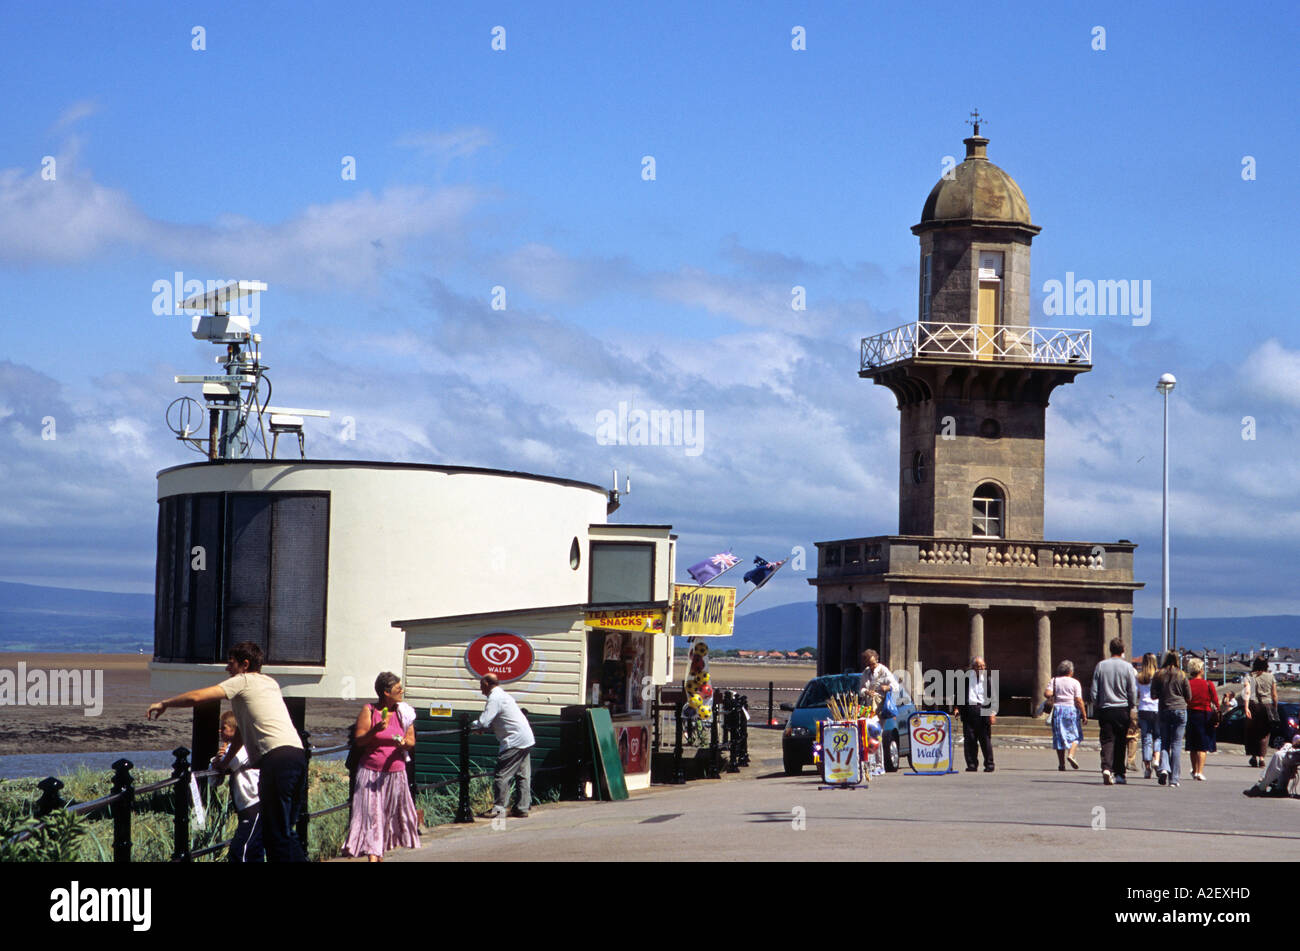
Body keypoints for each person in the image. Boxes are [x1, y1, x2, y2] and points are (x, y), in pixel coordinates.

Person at [148, 641, 307, 861]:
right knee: (285, 830)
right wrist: (225, 762)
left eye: (230, 663)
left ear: (245, 664)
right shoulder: (269, 683)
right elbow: (242, 732)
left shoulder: (243, 681)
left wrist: (165, 703)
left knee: (275, 834)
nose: (227, 669)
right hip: (297, 756)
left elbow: (198, 697)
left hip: (276, 760)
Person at [342, 673, 420, 861]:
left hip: (395, 775)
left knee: (386, 817)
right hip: (370, 774)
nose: (402, 691)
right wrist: (376, 730)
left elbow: (411, 741)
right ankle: (373, 857)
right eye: (398, 689)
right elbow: (360, 741)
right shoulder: (369, 711)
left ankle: (378, 854)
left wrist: (403, 744)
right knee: (371, 816)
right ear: (386, 692)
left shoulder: (405, 712)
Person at [472, 673, 535, 818]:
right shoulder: (504, 696)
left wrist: (472, 726)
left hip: (514, 741)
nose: (481, 689)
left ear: (487, 684)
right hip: (526, 738)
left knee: (502, 775)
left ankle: (499, 809)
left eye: (481, 685)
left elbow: (484, 721)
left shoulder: (495, 698)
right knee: (523, 775)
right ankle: (522, 807)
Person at [210, 711, 263, 862]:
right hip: (244, 807)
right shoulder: (228, 751)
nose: (220, 731)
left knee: (240, 851)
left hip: (255, 804)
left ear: (235, 730)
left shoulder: (246, 747)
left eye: (224, 727)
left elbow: (232, 763)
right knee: (254, 851)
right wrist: (217, 761)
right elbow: (214, 781)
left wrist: (221, 760)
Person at [1091, 637, 1139, 785]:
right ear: (1123, 650)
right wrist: (1132, 705)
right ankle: (1119, 773)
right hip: (1122, 708)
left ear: (1110, 650)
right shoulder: (1128, 667)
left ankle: (1106, 767)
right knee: (1120, 741)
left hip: (1106, 708)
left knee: (1106, 740)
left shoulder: (1100, 666)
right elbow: (1132, 689)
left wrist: (1097, 705)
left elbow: (1094, 690)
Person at [1150, 651, 1191, 788]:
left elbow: (1153, 695)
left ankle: (1163, 768)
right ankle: (1174, 779)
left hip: (1164, 710)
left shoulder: (1158, 674)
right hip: (1180, 710)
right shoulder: (1182, 675)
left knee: (1164, 743)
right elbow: (1189, 696)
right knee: (1177, 744)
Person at [950, 656, 995, 773]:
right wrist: (956, 708)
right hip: (969, 709)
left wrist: (992, 713)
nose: (982, 668)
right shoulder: (965, 679)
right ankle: (971, 764)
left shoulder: (988, 680)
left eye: (984, 666)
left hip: (984, 709)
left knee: (985, 739)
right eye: (979, 666)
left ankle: (989, 764)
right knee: (970, 739)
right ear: (973, 667)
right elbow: (959, 693)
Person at [858, 650, 898, 776]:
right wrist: (866, 692)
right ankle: (870, 764)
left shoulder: (883, 670)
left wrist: (887, 687)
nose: (872, 667)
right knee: (869, 735)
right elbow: (860, 689)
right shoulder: (865, 672)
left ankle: (880, 765)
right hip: (868, 708)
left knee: (876, 734)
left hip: (879, 707)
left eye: (873, 664)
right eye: (869, 665)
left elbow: (896, 686)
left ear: (876, 659)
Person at [1046, 661, 1086, 771]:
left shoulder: (1054, 680)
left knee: (1059, 737)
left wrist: (1055, 693)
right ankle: (1071, 755)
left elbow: (1047, 693)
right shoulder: (1075, 682)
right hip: (1071, 710)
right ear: (1071, 671)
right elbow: (1078, 700)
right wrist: (1084, 714)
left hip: (1058, 710)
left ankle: (1061, 764)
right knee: (1076, 734)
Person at [1185, 657, 1220, 781]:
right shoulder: (1208, 684)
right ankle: (1200, 771)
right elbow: (1215, 702)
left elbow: (1186, 699)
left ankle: (1194, 770)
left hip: (1191, 714)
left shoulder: (1188, 683)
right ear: (1200, 669)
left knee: (1193, 745)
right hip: (1205, 715)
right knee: (1203, 745)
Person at [1244, 656, 1279, 768]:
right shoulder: (1271, 677)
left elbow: (1248, 692)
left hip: (1254, 705)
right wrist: (1275, 707)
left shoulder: (1250, 676)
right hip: (1267, 705)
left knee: (1253, 732)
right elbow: (1274, 694)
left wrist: (1246, 707)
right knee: (1265, 733)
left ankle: (1254, 757)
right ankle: (1262, 758)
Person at [1136, 652, 1161, 779]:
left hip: (1143, 709)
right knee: (1158, 736)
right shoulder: (1159, 675)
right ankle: (1156, 759)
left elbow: (1137, 693)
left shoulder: (1139, 676)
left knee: (1146, 738)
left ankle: (1147, 768)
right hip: (1156, 708)